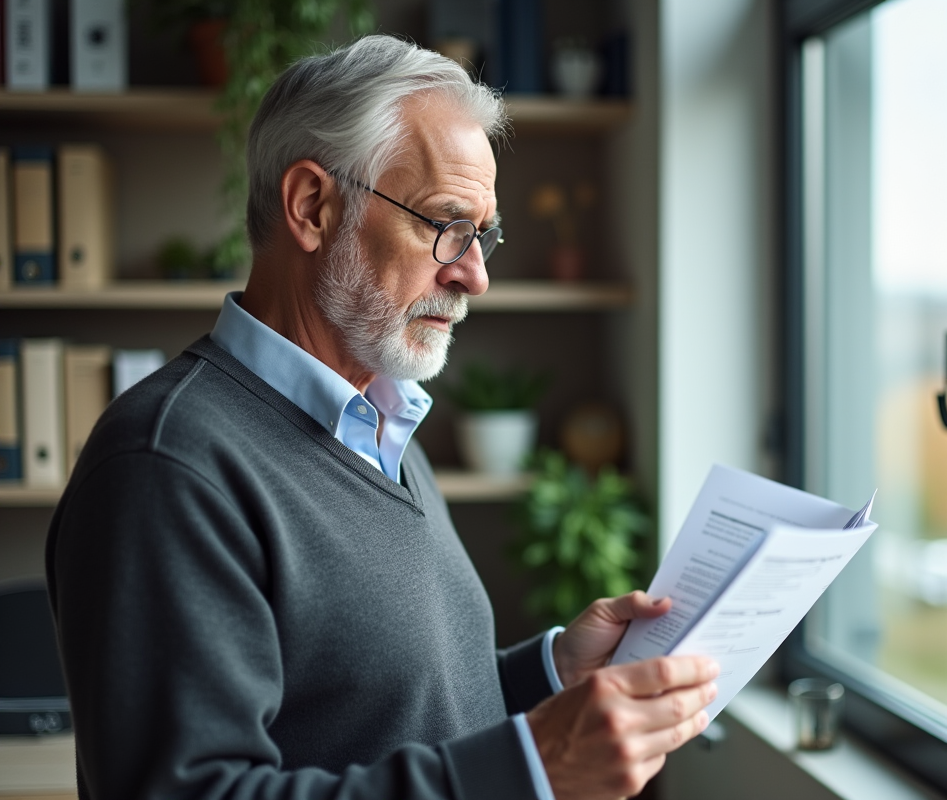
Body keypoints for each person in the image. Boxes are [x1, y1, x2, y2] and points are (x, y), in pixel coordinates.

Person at [45, 36, 715, 800]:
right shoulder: (167, 466)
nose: (476, 275)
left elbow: (388, 713)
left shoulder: (379, 421)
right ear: (313, 207)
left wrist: (549, 674)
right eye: (445, 224)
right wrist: (532, 766)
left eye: (483, 235)